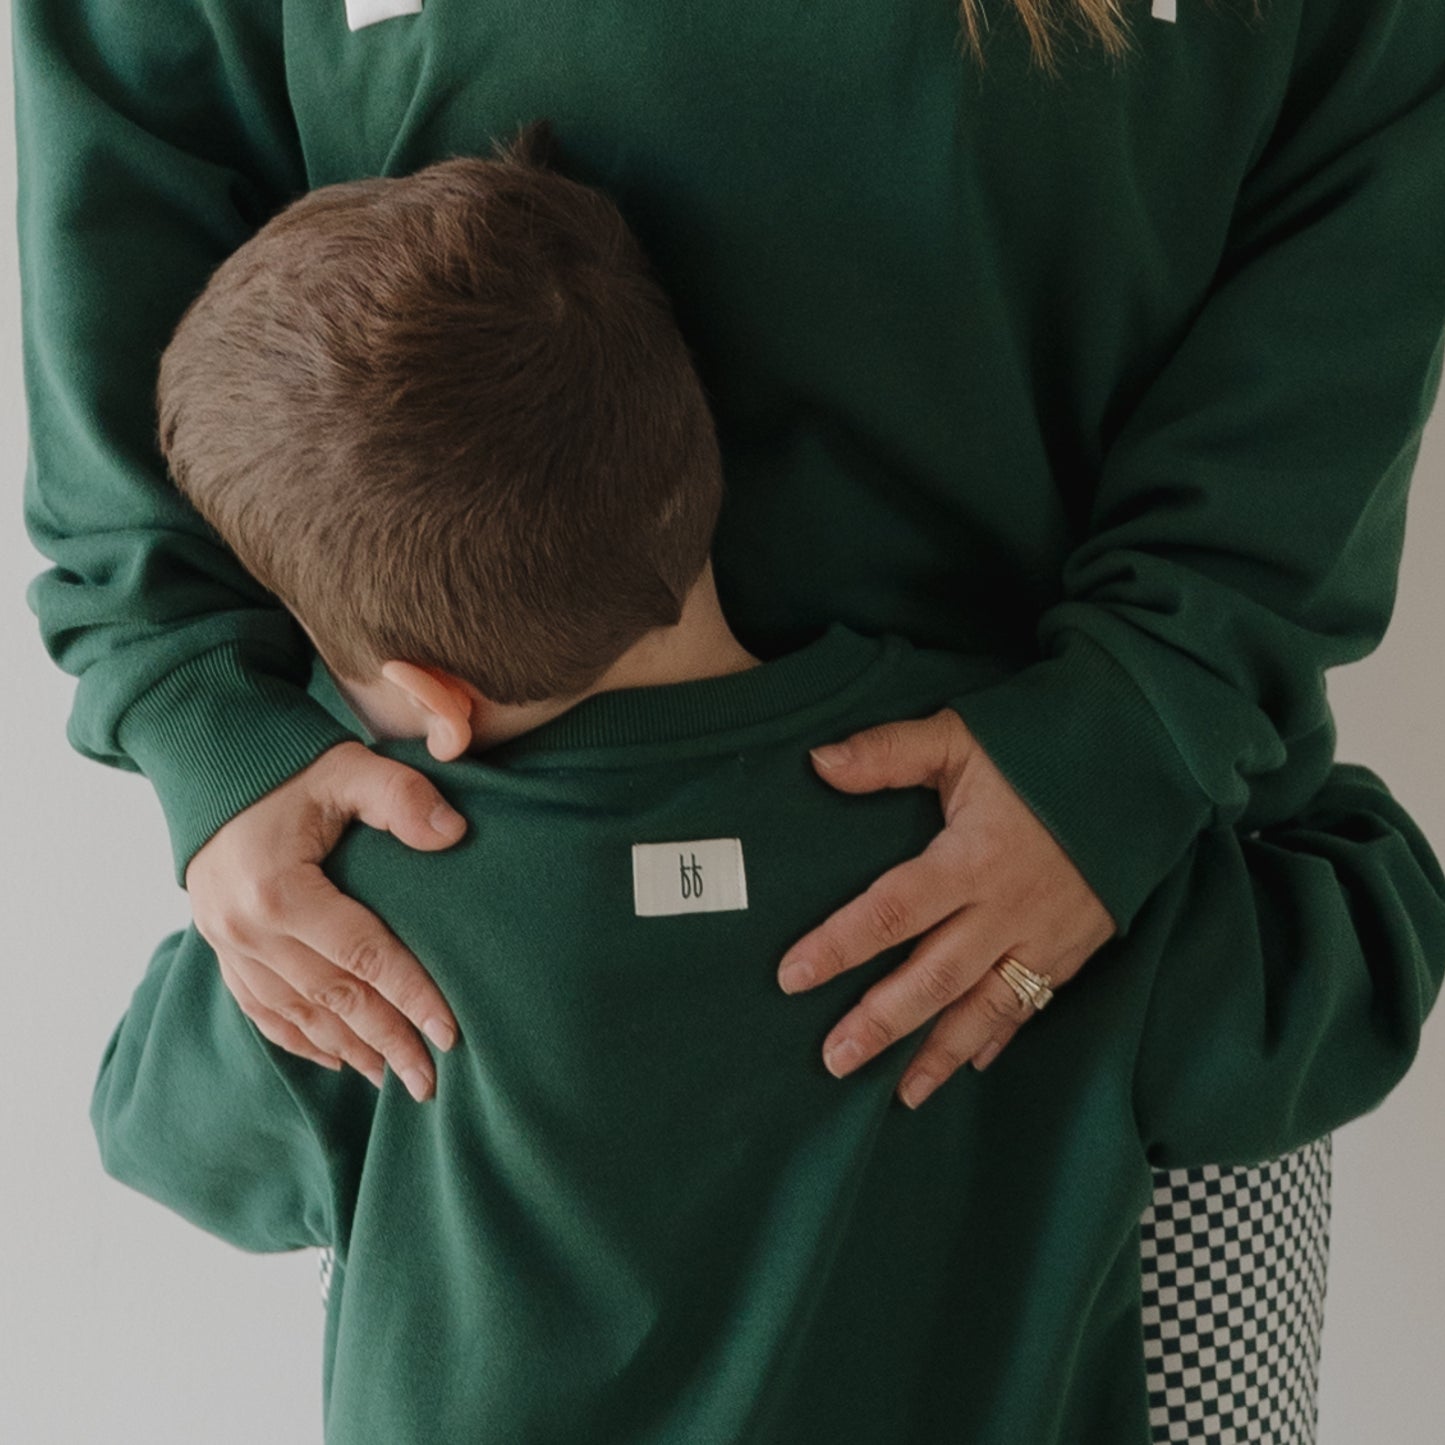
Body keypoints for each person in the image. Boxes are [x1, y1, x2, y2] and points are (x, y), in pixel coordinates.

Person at [16, 1, 1445, 1439]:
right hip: (1075, 919)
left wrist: (1137, 727)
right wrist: (201, 717)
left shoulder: (394, 955)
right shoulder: (1169, 960)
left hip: (1087, 861)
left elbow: (153, 1121)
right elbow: (1364, 959)